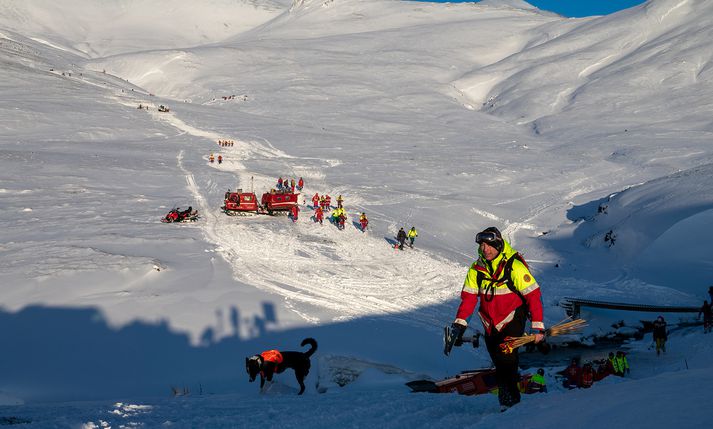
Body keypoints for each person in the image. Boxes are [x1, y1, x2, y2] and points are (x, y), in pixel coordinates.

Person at [450, 227, 545, 410]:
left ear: (499, 244)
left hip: (513, 319)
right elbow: (469, 298)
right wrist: (460, 323)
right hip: (489, 323)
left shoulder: (514, 266)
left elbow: (534, 296)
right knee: (499, 364)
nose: (485, 249)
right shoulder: (476, 269)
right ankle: (506, 402)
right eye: (482, 245)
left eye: (489, 245)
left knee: (507, 360)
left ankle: (510, 403)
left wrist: (537, 327)